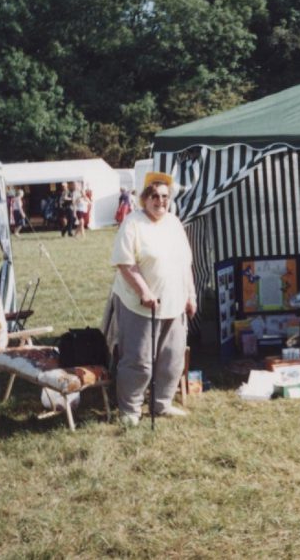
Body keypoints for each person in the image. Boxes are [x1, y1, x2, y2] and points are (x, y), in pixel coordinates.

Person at [111, 172, 196, 427]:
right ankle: (131, 409)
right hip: (139, 305)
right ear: (145, 198)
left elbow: (185, 265)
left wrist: (190, 295)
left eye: (165, 197)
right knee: (139, 359)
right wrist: (144, 292)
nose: (160, 201)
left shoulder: (174, 224)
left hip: (174, 303)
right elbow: (125, 264)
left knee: (172, 358)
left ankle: (162, 404)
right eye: (155, 196)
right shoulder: (133, 223)